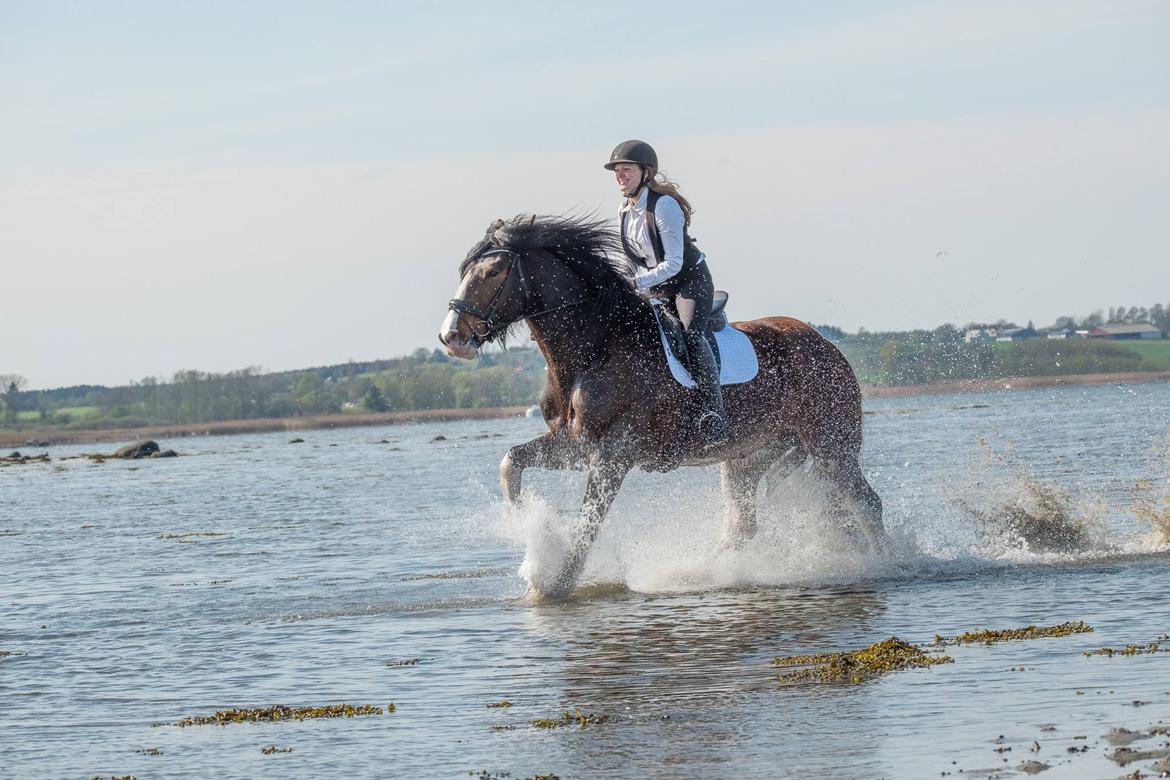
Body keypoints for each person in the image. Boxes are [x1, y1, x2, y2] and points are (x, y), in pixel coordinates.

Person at [604, 139, 730, 449]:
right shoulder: (624, 209)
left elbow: (673, 263)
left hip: (689, 282)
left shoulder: (664, 205)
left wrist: (638, 283)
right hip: (655, 286)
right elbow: (628, 260)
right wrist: (619, 283)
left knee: (689, 335)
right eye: (617, 171)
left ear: (645, 172)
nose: (620, 175)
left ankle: (714, 413)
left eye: (626, 170)